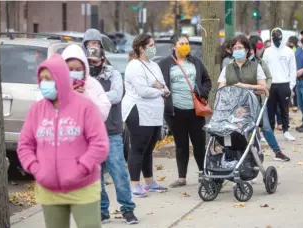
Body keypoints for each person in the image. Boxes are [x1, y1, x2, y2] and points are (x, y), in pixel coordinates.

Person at [17, 54, 109, 228]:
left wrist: (80, 168)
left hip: (83, 187)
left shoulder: (84, 106)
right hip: (49, 189)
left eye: (49, 78)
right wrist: (37, 169)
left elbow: (100, 144)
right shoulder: (37, 109)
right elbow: (25, 145)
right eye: (42, 78)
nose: (44, 83)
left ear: (60, 78)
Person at [82, 28, 138, 225]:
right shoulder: (82, 74)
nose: (93, 49)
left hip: (111, 131)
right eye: (89, 45)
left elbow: (116, 95)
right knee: (95, 175)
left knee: (119, 173)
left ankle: (127, 209)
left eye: (96, 44)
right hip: (89, 134)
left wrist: (93, 97)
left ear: (102, 48)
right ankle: (102, 210)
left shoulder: (112, 72)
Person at [218, 35, 290, 162]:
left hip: (255, 104)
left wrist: (245, 86)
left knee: (265, 127)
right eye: (235, 48)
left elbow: (264, 87)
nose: (237, 50)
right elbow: (221, 88)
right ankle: (236, 158)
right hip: (235, 107)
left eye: (240, 47)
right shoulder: (227, 68)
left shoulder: (256, 65)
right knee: (236, 132)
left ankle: (277, 151)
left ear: (246, 50)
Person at [158, 34, 212, 188]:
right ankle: (182, 177)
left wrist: (202, 92)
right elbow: (159, 84)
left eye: (186, 43)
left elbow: (207, 81)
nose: (185, 46)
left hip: (195, 111)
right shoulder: (165, 64)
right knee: (181, 145)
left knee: (199, 143)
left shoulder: (196, 62)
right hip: (175, 112)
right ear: (174, 46)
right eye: (181, 43)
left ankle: (203, 173)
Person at [122, 34, 170, 197]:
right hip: (138, 111)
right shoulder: (134, 66)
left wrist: (159, 87)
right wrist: (159, 89)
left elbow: (163, 84)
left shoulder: (154, 65)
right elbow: (143, 91)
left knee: (149, 148)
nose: (154, 48)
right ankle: (135, 184)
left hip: (154, 113)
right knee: (138, 148)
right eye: (151, 45)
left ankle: (149, 182)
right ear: (141, 48)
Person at [263, 28, 297, 141]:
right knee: (270, 110)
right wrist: (265, 85)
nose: (277, 38)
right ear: (272, 37)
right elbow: (263, 69)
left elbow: (293, 70)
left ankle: (286, 131)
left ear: (282, 36)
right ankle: (269, 132)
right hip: (271, 85)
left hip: (284, 85)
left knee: (284, 110)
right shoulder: (267, 52)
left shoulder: (289, 51)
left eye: (279, 36)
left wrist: (291, 86)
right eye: (274, 36)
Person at [287, 36, 299, 112]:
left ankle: (293, 104)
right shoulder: (298, 49)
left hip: (291, 71)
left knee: (292, 89)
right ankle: (294, 105)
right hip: (294, 71)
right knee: (294, 89)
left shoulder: (292, 49)